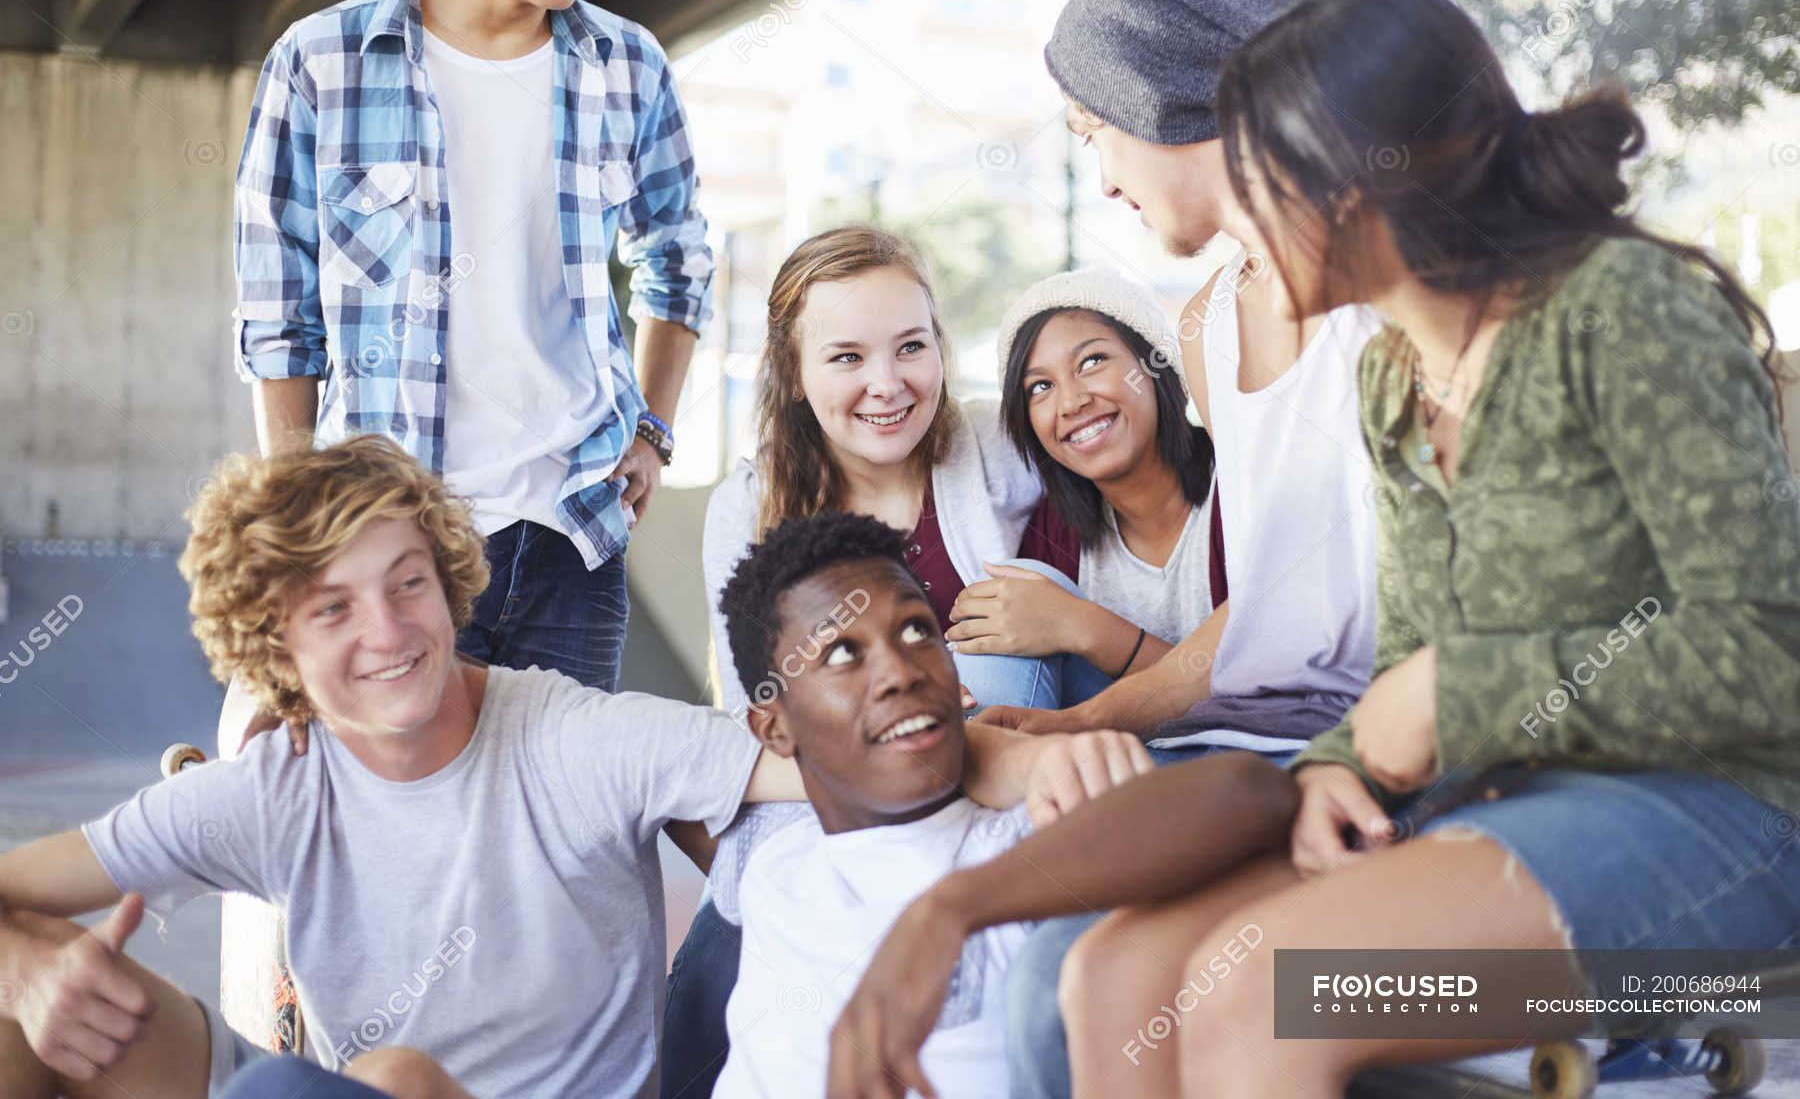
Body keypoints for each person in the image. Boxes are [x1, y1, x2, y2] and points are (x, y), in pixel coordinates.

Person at [824, 0, 1800, 1099]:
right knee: (1114, 977)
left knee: (1271, 993)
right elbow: (1398, 682)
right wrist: (1343, 770)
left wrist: (1458, 691)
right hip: (1509, 798)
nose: (1231, 226)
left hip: (1730, 823)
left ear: (1356, 178)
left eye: (1257, 183)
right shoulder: (1393, 378)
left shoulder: (1618, 309)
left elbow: (1769, 650)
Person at [0, 438, 1128, 1099]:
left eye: (407, 583)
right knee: (26, 1001)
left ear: (450, 586)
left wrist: (1048, 765)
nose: (387, 632)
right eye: (331, 609)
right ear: (275, 644)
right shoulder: (270, 786)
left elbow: (848, 752)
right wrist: (27, 967)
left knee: (379, 1076)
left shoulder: (577, 739)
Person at [977, 0, 1378, 1097]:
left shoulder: (1388, 298)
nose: (1100, 178)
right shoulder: (1205, 328)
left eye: (1094, 133)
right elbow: (1260, 613)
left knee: (1077, 974)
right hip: (1245, 744)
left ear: (1172, 93)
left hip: (1362, 757)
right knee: (1053, 969)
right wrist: (1072, 725)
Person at [234, 0, 706, 695]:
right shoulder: (323, 60)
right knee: (394, 812)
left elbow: (680, 262)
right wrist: (296, 528)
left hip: (574, 535)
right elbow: (279, 317)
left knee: (570, 818)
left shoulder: (629, 66)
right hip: (385, 536)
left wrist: (654, 431)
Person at [664, 225, 1050, 1096]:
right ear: (794, 375)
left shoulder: (995, 451)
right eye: (847, 357)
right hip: (821, 821)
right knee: (708, 1013)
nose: (888, 384)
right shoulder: (751, 505)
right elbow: (762, 733)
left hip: (989, 826)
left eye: (911, 347)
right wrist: (961, 760)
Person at [707, 511, 1155, 1098]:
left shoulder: (1029, 841)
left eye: (918, 631)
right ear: (774, 730)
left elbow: (1253, 796)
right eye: (842, 654)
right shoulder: (768, 858)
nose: (899, 672)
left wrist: (950, 907)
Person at [942, 267, 1221, 714]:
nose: (1071, 402)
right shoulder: (1056, 531)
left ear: (1155, 365)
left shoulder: (1239, 491)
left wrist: (1086, 628)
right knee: (1007, 603)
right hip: (1121, 756)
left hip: (1268, 752)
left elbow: (1263, 692)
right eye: (1041, 387)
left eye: (1092, 362)